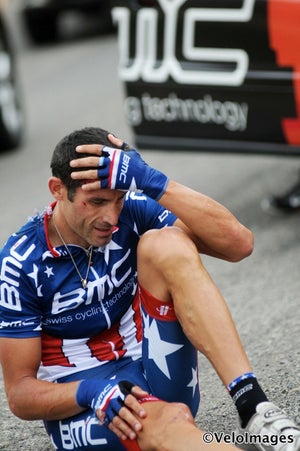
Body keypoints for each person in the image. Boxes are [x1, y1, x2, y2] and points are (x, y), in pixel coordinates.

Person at [0, 127, 299, 451]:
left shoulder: (131, 209)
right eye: (96, 202)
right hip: (89, 405)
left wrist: (153, 181)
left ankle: (253, 406)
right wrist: (89, 392)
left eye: (118, 199)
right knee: (163, 421)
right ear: (58, 190)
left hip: (156, 373)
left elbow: (239, 244)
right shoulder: (19, 264)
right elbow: (20, 395)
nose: (111, 217)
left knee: (167, 243)